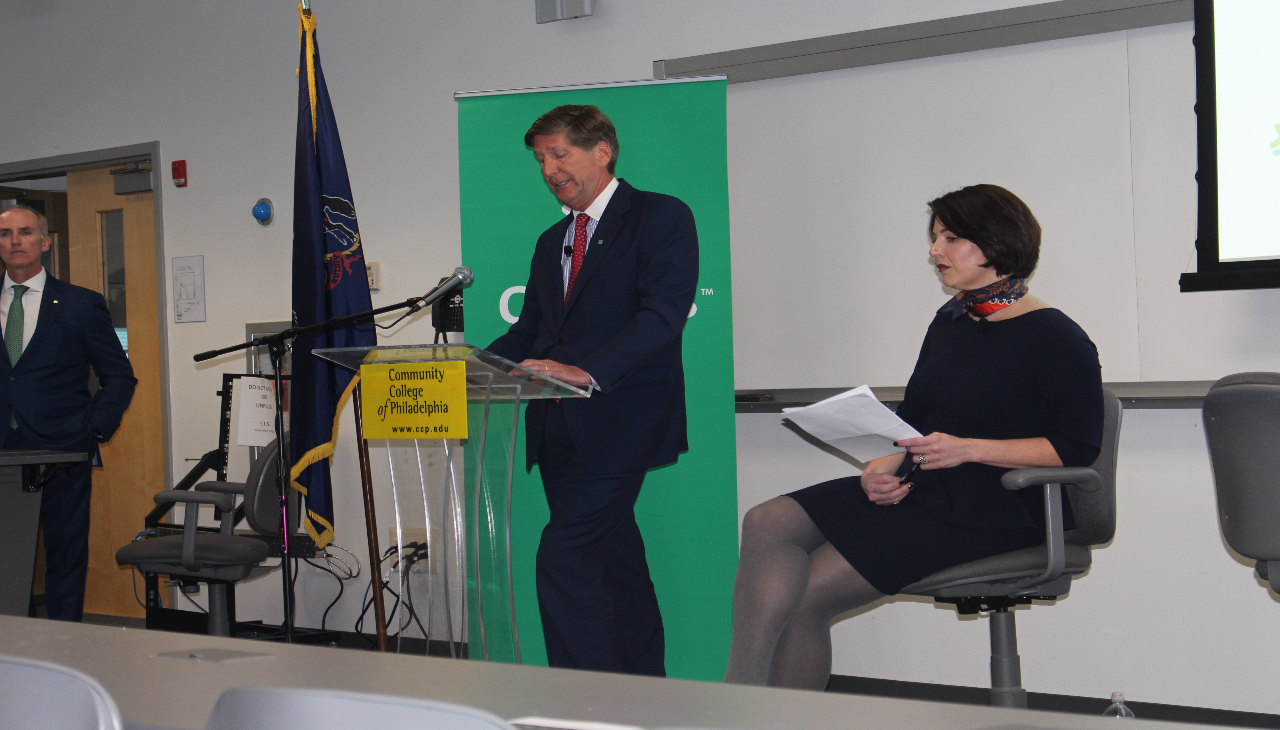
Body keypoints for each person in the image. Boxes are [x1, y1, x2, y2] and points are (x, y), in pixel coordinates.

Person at [722, 184, 1103, 688]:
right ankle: (738, 696)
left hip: (999, 507)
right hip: (927, 488)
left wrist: (970, 449)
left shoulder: (1057, 337)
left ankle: (739, 710)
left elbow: (1076, 448)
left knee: (807, 596)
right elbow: (916, 420)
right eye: (934, 237)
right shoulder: (951, 322)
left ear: (995, 244)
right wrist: (879, 467)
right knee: (768, 520)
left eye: (950, 238)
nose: (934, 251)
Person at [486, 105, 698, 676]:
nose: (549, 168)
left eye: (560, 154)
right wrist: (468, 369)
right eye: (540, 159)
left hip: (621, 423)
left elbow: (662, 316)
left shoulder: (660, 217)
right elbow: (531, 332)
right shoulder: (552, 238)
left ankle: (581, 707)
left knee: (564, 561)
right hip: (559, 433)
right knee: (615, 567)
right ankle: (644, 696)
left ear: (602, 151)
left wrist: (590, 371)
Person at [0, 204, 136, 622]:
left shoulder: (80, 304)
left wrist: (91, 430)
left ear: (44, 242)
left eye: (25, 232)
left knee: (65, 554)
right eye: (6, 234)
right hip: (4, 451)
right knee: (8, 562)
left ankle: (64, 647)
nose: (15, 241)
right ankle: (15, 646)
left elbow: (119, 377)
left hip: (63, 451)